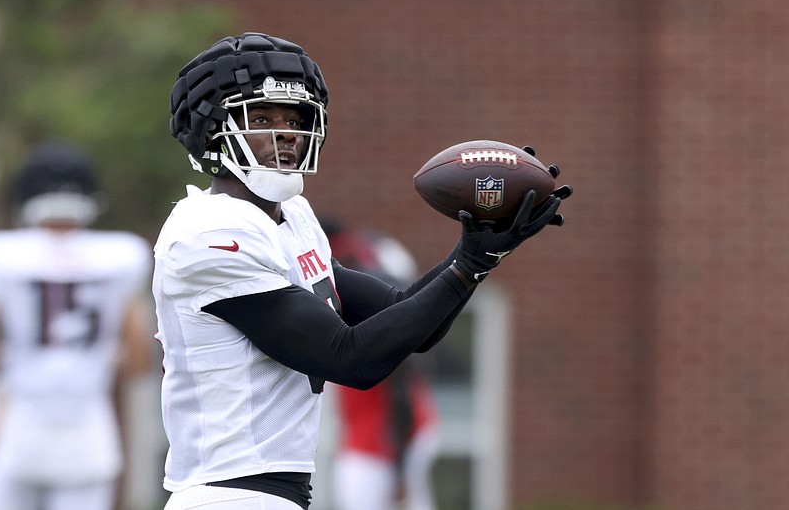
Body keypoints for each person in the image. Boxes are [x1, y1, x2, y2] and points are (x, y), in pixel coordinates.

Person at [153, 32, 572, 510]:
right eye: (262, 118)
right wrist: (467, 265)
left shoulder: (293, 218)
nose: (286, 132)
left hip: (271, 495)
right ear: (210, 129)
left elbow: (407, 323)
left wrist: (479, 255)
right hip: (229, 495)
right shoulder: (206, 233)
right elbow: (351, 358)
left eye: (294, 118)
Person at [0, 141, 154, 510]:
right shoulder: (121, 255)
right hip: (87, 425)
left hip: (20, 420)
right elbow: (139, 358)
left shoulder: (1, 255)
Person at [322, 220, 441, 510]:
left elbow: (400, 392)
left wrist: (399, 472)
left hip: (379, 445)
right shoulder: (364, 253)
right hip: (380, 437)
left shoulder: (374, 316)